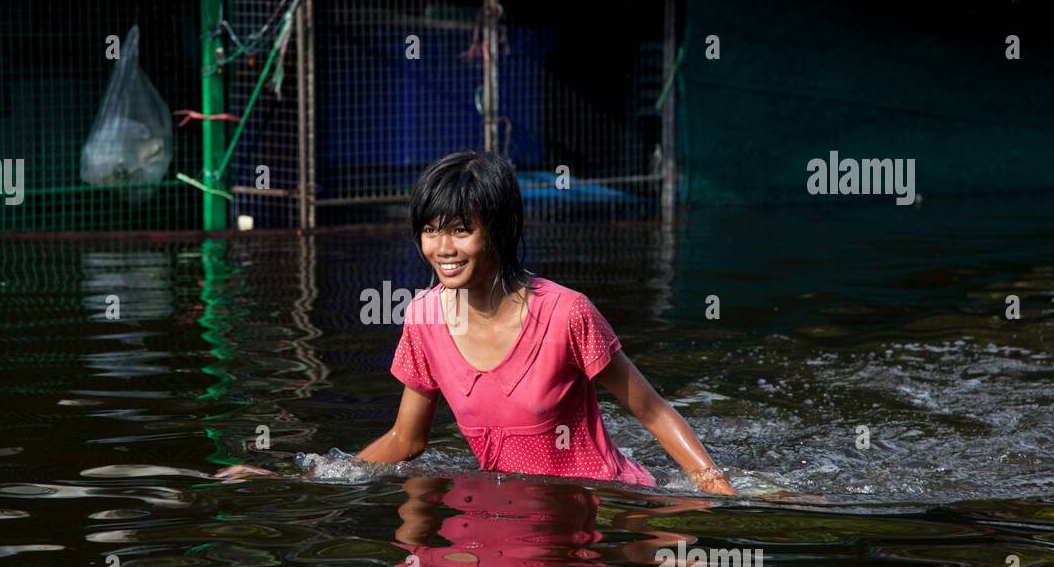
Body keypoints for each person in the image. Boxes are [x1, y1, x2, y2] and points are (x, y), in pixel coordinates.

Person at [218, 150, 734, 495]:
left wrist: (714, 492)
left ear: (502, 230)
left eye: (461, 230)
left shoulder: (566, 313)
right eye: (429, 231)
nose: (442, 249)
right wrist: (299, 480)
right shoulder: (423, 319)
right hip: (503, 506)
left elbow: (653, 411)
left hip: (602, 499)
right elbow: (405, 440)